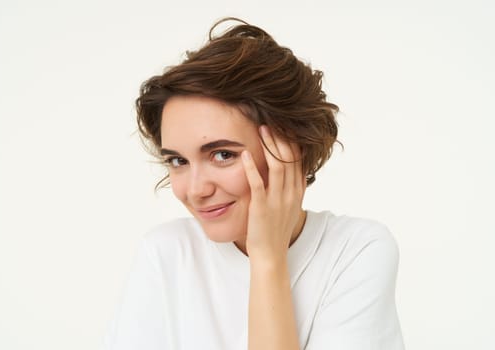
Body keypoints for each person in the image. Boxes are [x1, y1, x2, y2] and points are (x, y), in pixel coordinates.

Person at [105, 18, 404, 350]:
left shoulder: (355, 251)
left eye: (222, 154)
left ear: (289, 151)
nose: (196, 190)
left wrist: (267, 258)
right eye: (178, 161)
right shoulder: (166, 254)